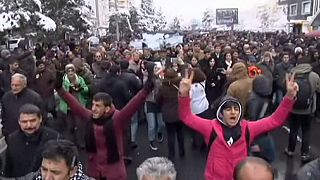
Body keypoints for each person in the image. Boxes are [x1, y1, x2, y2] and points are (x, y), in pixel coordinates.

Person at [178, 70, 298, 179]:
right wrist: (184, 95)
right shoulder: (210, 127)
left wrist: (289, 97)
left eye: (236, 109)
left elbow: (274, 121)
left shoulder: (248, 128)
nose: (233, 112)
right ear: (221, 113)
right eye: (228, 109)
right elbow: (187, 117)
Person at [55, 69, 154, 179]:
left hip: (114, 173)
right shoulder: (90, 117)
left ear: (107, 108)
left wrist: (146, 89)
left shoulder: (117, 119)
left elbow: (134, 104)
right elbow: (75, 105)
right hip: (95, 172)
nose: (93, 109)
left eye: (97, 106)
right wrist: (60, 89)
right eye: (93, 105)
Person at [4, 104, 60, 178]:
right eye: (24, 122)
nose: (29, 125)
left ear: (40, 119)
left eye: (32, 121)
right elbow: (8, 167)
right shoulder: (12, 139)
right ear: (19, 122)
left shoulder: (54, 138)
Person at [285, 57, 320, 162]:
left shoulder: (291, 74)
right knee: (306, 131)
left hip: (293, 108)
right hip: (308, 109)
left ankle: (290, 150)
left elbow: (286, 89)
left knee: (293, 130)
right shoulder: (313, 76)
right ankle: (304, 153)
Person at [1, 73, 43, 138]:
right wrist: (5, 130)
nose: (14, 88)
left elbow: (42, 118)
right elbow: (4, 116)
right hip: (11, 135)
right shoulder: (6, 97)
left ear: (24, 84)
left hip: (30, 136)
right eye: (12, 85)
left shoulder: (34, 98)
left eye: (17, 85)